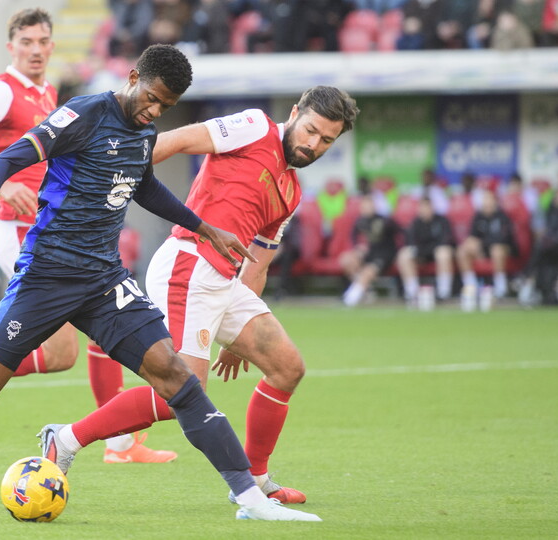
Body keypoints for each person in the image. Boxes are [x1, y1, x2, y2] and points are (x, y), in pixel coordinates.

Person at [0, 44, 320, 522]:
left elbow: (145, 188)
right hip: (47, 275)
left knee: (177, 379)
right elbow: (8, 158)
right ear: (133, 77)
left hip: (103, 279)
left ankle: (250, 497)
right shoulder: (85, 113)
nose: (154, 112)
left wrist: (203, 226)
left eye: (165, 107)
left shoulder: (143, 133)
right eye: (152, 98)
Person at [39, 86, 358, 505]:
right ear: (295, 112)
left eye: (326, 140)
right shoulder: (254, 126)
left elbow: (257, 264)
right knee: (180, 394)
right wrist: (114, 172)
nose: (313, 144)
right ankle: (65, 439)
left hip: (225, 281)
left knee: (287, 367)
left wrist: (236, 340)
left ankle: (257, 479)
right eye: (311, 131)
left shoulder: (291, 192)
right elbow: (178, 140)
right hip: (188, 265)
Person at [0, 8, 173, 465]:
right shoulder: (0, 93)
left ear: (52, 45)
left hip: (59, 231)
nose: (36, 50)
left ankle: (119, 444)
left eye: (43, 41)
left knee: (79, 346)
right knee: (76, 343)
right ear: (11, 47)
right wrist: (1, 187)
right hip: (24, 232)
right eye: (26, 42)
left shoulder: (46, 93)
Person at [518, 187, 558, 305]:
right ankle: (545, 292)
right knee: (545, 259)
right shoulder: (554, 211)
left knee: (541, 249)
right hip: (554, 249)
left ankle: (527, 276)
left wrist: (550, 240)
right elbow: (549, 230)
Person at [340, 195, 403, 306]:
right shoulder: (361, 221)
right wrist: (357, 247)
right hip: (371, 252)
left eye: (369, 205)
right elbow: (353, 235)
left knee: (368, 270)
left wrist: (401, 250)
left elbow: (403, 232)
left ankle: (351, 298)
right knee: (346, 259)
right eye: (364, 206)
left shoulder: (385, 221)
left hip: (385, 254)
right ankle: (366, 290)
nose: (366, 208)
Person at [456, 189, 516, 298]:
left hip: (502, 249)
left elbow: (503, 239)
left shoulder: (502, 217)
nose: (487, 202)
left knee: (496, 250)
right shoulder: (478, 216)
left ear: (495, 202)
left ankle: (501, 288)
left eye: (489, 199)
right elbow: (472, 237)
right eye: (485, 199)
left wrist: (482, 244)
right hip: (482, 250)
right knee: (462, 251)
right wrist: (474, 246)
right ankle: (471, 286)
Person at [396, 197, 455, 302]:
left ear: (432, 208)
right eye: (422, 207)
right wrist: (420, 253)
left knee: (443, 253)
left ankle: (443, 293)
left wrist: (427, 249)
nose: (425, 210)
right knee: (404, 255)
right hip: (421, 255)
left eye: (427, 207)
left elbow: (445, 241)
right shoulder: (415, 223)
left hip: (436, 253)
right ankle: (412, 293)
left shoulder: (442, 221)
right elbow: (411, 243)